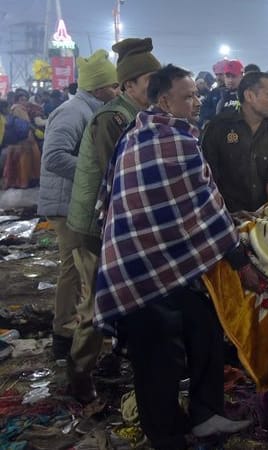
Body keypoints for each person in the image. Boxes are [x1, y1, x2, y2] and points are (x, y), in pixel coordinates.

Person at [93, 64, 251, 449]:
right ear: (164, 100)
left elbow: (192, 204)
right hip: (138, 269)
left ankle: (206, 414)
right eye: (189, 96)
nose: (197, 102)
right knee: (157, 356)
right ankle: (165, 436)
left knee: (205, 327)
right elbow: (203, 204)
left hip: (160, 263)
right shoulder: (166, 140)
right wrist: (238, 258)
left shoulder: (147, 133)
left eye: (197, 94)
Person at [66, 37, 161, 403]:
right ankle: (78, 374)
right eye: (149, 78)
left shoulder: (139, 115)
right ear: (128, 85)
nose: (156, 84)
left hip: (122, 224)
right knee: (95, 304)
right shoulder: (113, 118)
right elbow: (119, 179)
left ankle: (120, 359)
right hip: (95, 227)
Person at [37, 49, 119, 362]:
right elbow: (54, 157)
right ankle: (64, 333)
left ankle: (73, 329)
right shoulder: (74, 112)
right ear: (99, 88)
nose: (116, 92)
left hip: (74, 202)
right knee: (74, 270)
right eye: (112, 86)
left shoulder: (89, 109)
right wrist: (92, 170)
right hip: (65, 204)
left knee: (80, 269)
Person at [201, 71, 268, 212]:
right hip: (225, 216)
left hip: (262, 216)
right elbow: (208, 178)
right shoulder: (218, 127)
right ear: (250, 96)